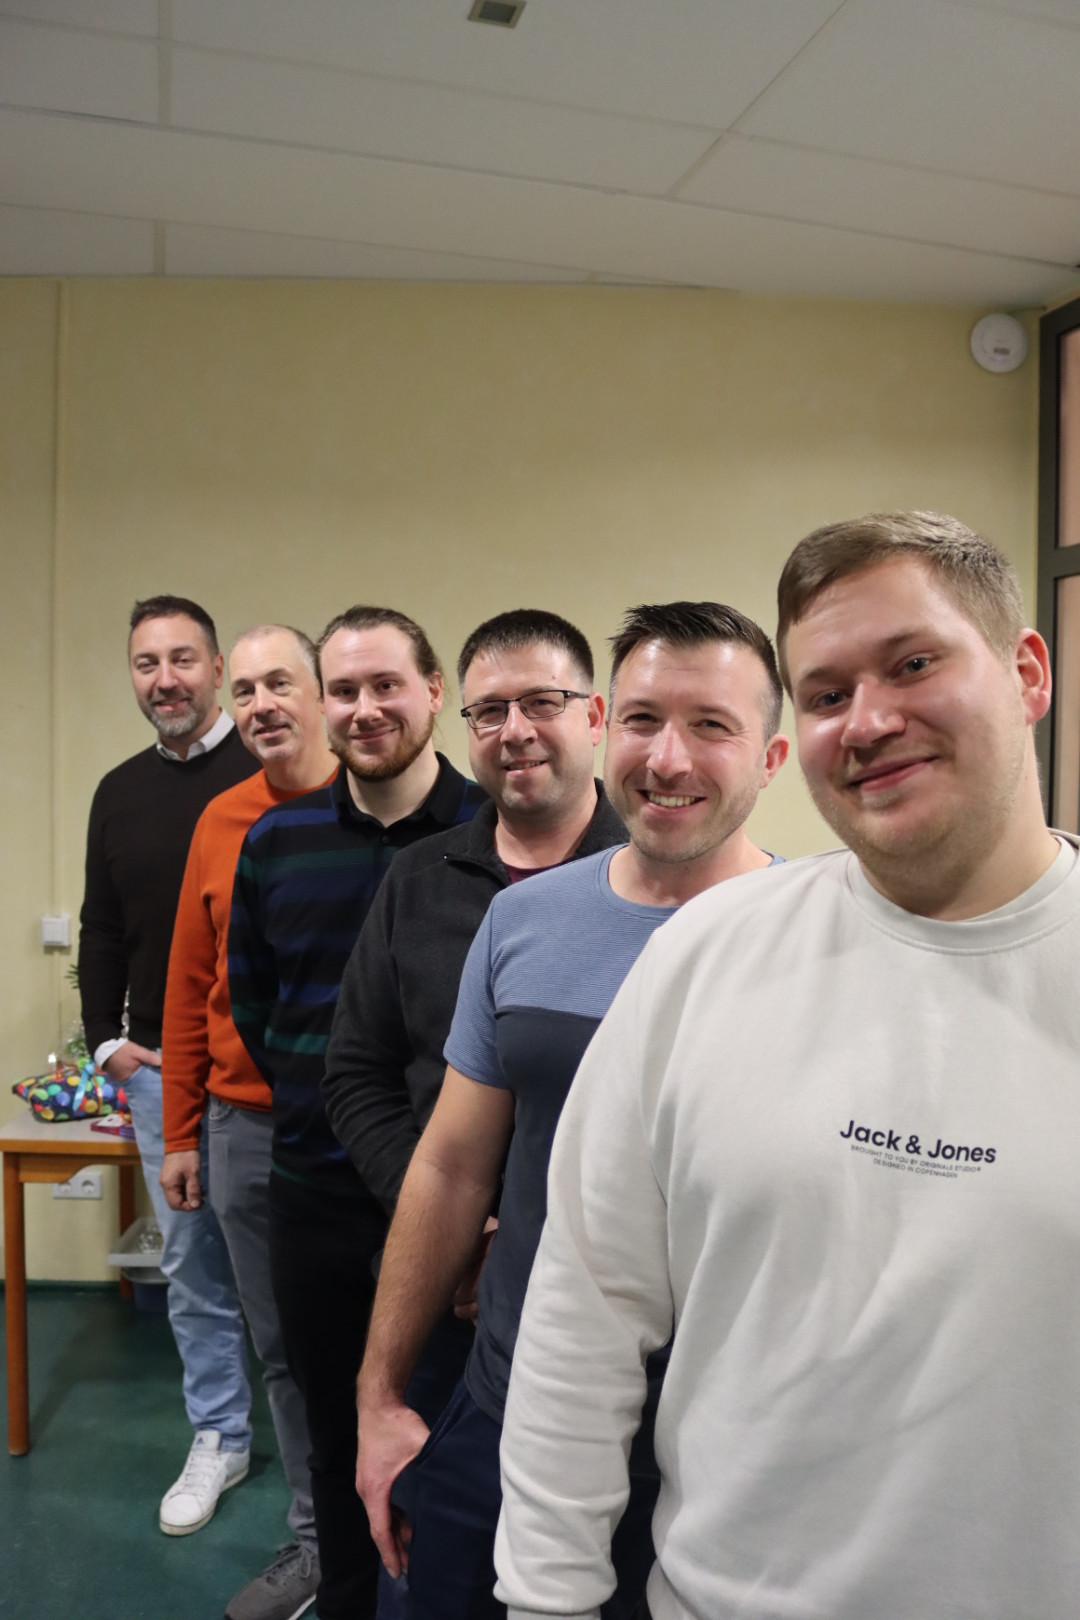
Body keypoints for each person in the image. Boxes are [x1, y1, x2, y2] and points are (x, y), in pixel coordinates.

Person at [495, 512, 1080, 1620]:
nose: (869, 721)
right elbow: (585, 1308)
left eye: (914, 664)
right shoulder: (704, 954)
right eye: (825, 693)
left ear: (1027, 673)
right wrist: (545, 1602)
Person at [355, 601, 789, 1619]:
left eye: (711, 725)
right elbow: (451, 1168)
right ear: (607, 726)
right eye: (643, 720)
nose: (667, 757)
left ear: (771, 758)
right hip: (511, 1405)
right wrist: (381, 1396)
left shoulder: (814, 939)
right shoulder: (524, 921)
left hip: (721, 1446)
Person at [228, 606, 486, 1620]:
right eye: (344, 690)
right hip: (316, 1202)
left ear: (434, 691)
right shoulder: (276, 843)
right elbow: (259, 1009)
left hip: (459, 1208)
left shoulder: (493, 834)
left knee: (457, 1437)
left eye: (388, 685)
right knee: (336, 1436)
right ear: (323, 705)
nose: (366, 708)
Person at [159, 624, 335, 1620]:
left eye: (283, 683)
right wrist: (182, 1131)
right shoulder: (221, 820)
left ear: (321, 695)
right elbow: (190, 985)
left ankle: (404, 1538)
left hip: (369, 1127)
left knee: (392, 1346)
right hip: (245, 1127)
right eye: (248, 688)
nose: (264, 703)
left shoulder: (372, 806)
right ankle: (316, 1543)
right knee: (284, 1350)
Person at [78, 594, 258, 1535]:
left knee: (298, 1256)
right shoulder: (118, 791)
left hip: (270, 1069)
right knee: (193, 1263)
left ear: (217, 669)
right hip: (160, 1073)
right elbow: (102, 925)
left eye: (183, 659)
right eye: (147, 664)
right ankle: (221, 1434)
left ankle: (332, 1440)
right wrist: (104, 1042)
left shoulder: (272, 770)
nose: (166, 680)